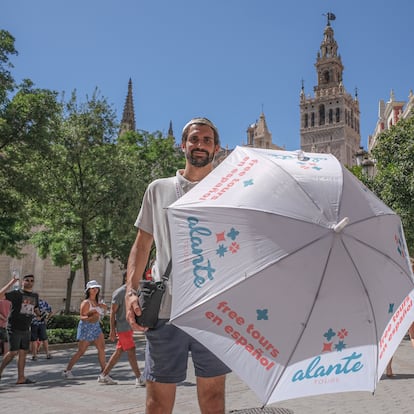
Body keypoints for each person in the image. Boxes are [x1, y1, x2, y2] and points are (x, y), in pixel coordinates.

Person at [126, 117, 231, 414]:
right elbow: (142, 245)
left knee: (213, 399)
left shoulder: (227, 192)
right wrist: (131, 292)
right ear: (183, 145)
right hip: (164, 310)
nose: (200, 145)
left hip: (211, 310)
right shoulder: (157, 189)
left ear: (217, 148)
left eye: (207, 140)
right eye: (194, 139)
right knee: (157, 401)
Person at [97, 272, 145, 386]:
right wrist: (112, 330)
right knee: (131, 351)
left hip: (128, 327)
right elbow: (112, 313)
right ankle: (139, 378)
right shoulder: (119, 293)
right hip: (123, 328)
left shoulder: (136, 292)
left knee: (118, 352)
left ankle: (103, 376)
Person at [62, 280, 107, 379]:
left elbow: (104, 313)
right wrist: (91, 317)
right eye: (93, 288)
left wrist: (104, 308)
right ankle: (67, 370)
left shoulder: (98, 302)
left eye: (96, 288)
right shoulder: (86, 302)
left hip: (96, 326)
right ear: (88, 290)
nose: (95, 290)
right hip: (86, 327)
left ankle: (104, 371)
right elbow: (81, 317)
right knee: (81, 351)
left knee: (101, 348)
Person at [0, 274, 40, 384]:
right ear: (22, 282)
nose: (30, 282)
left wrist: (39, 315)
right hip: (14, 327)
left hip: (26, 328)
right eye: (27, 280)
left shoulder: (35, 295)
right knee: (13, 352)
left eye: (32, 280)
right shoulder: (17, 294)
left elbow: (35, 308)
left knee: (23, 352)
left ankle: (21, 378)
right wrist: (11, 282)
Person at [386, 257, 414, 377]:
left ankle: (389, 369)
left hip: (398, 311)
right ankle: (388, 369)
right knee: (413, 337)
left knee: (392, 340)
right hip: (410, 308)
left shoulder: (397, 278)